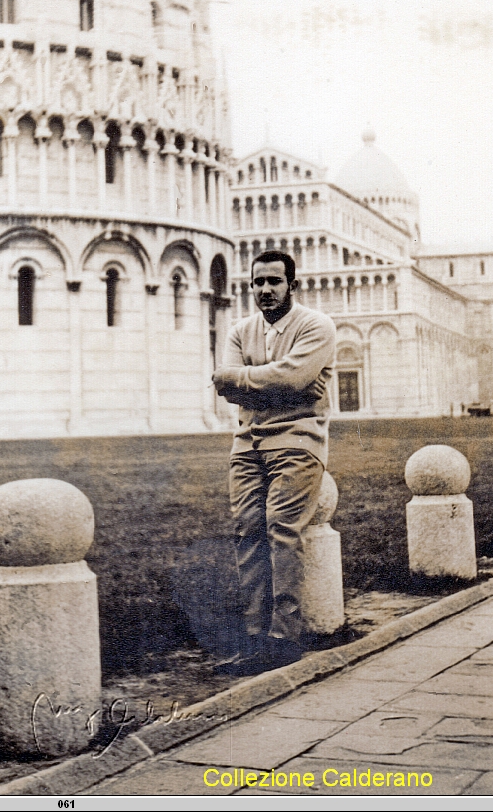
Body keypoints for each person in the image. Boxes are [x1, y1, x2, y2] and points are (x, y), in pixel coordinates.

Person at [213, 250, 336, 673]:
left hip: (298, 441)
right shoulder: (239, 330)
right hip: (246, 444)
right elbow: (230, 384)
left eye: (275, 281)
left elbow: (294, 378)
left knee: (282, 531)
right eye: (258, 282)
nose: (266, 290)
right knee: (247, 531)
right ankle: (252, 639)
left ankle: (284, 638)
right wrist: (282, 381)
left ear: (292, 285)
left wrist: (249, 379)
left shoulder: (316, 325)